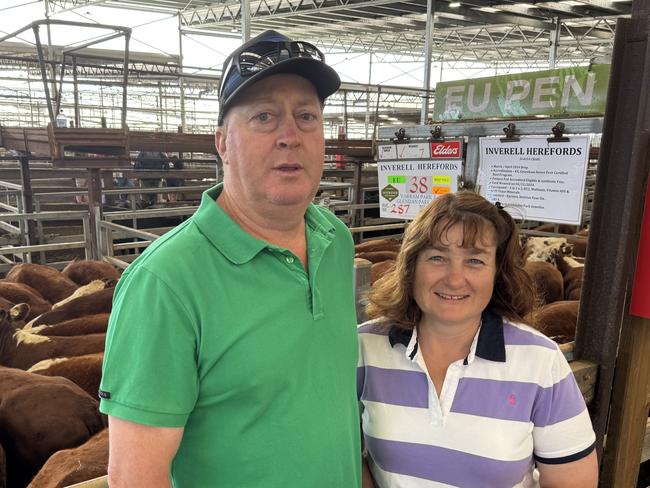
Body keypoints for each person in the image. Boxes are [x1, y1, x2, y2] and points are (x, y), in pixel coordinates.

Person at [100, 29, 361, 488]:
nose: (290, 136)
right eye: (264, 117)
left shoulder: (334, 240)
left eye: (307, 116)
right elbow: (134, 478)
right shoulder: (166, 282)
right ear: (222, 142)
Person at [358, 191, 597, 488]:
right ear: (411, 265)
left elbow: (573, 482)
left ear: (497, 272)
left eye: (474, 260)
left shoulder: (541, 360)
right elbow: (345, 456)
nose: (455, 279)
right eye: (437, 257)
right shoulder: (364, 348)